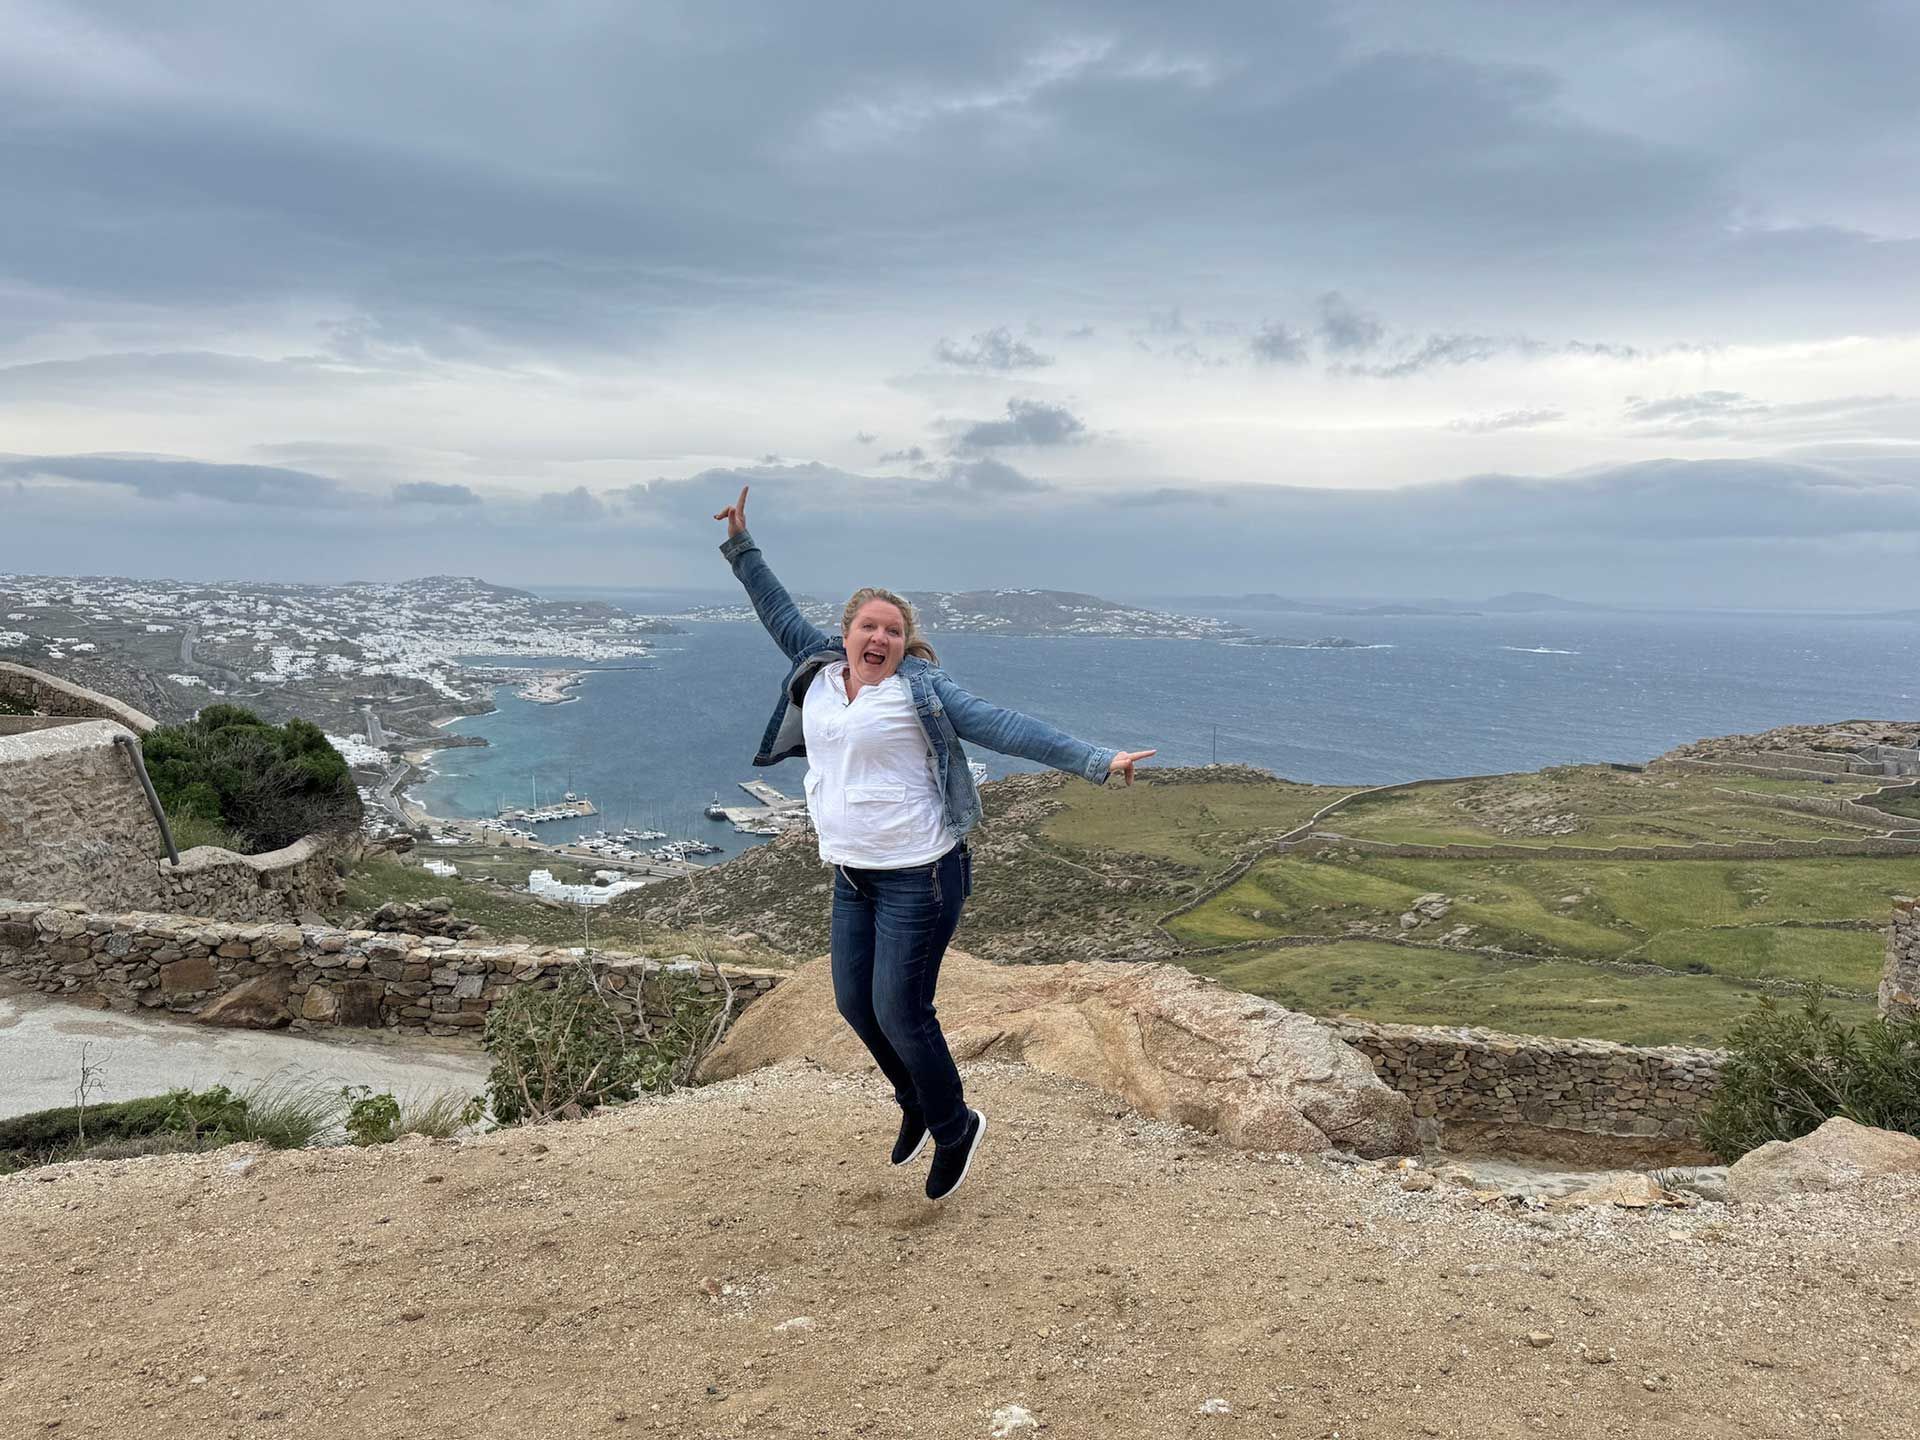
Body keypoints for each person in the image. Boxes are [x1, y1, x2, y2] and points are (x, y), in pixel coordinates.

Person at [714, 486, 1155, 1201]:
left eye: (892, 629)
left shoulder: (922, 691)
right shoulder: (819, 671)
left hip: (919, 875)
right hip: (852, 875)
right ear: (848, 631)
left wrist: (1097, 760)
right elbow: (776, 609)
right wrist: (741, 544)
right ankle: (915, 1100)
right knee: (856, 1006)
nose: (879, 638)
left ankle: (955, 1125)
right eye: (868, 626)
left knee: (901, 1009)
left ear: (904, 640)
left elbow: (1008, 726)